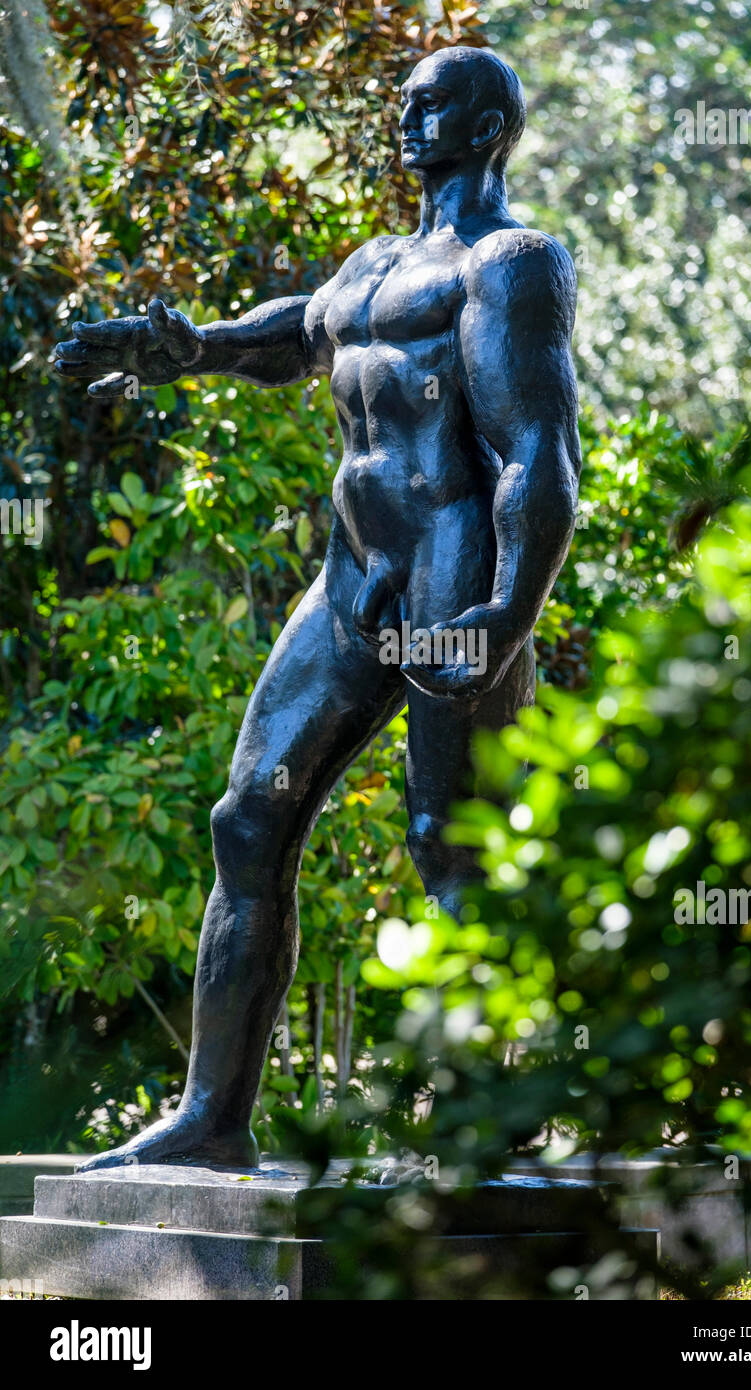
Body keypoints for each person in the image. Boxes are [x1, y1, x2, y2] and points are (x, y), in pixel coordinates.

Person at [54, 45, 581, 1170]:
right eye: (402, 100)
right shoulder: (373, 263)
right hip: (354, 577)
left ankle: (486, 1128)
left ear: (489, 124)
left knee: (452, 849)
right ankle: (211, 1121)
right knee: (247, 820)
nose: (405, 115)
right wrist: (181, 352)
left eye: (430, 102)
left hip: (458, 572)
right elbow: (292, 336)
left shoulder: (513, 263)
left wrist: (506, 611)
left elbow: (539, 452)